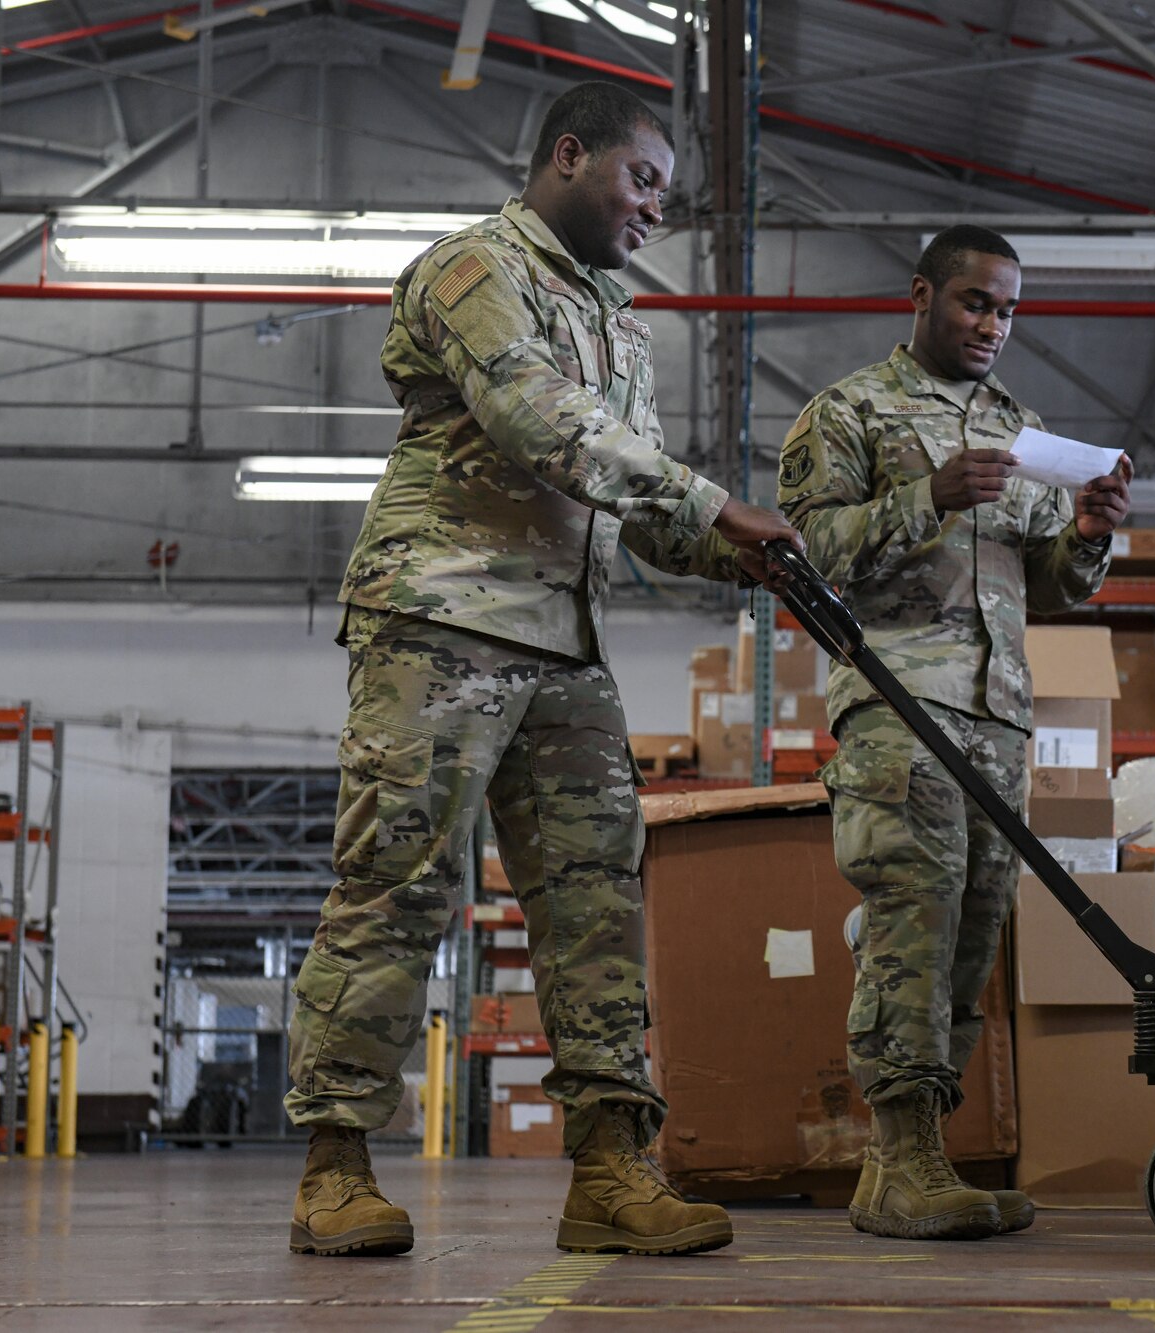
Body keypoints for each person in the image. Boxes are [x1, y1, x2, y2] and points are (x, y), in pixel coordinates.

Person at [285, 81, 798, 1260]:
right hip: (439, 616)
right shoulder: (473, 269)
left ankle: (611, 1170)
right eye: (643, 181)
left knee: (593, 904)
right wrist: (712, 502)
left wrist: (741, 550)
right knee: (400, 884)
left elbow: (637, 500)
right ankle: (334, 1166)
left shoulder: (622, 326)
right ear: (569, 156)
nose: (655, 210)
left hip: (565, 642)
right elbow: (537, 421)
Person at [778, 226, 1131, 1240]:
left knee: (971, 941)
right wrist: (921, 496)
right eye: (975, 302)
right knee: (912, 926)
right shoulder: (847, 412)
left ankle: (907, 1159)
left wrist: (1088, 535)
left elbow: (1047, 587)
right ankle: (900, 1160)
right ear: (924, 294)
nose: (992, 325)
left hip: (994, 715)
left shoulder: (1019, 432)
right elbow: (804, 558)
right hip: (900, 705)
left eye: (1008, 310)